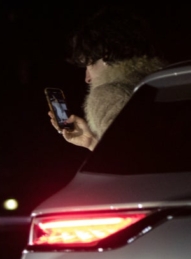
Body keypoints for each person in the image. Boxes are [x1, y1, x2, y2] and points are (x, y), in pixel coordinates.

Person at [49, 6, 166, 151]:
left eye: (89, 65)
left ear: (105, 56)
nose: (87, 78)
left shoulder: (108, 94)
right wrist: (92, 142)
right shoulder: (162, 82)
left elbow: (124, 161)